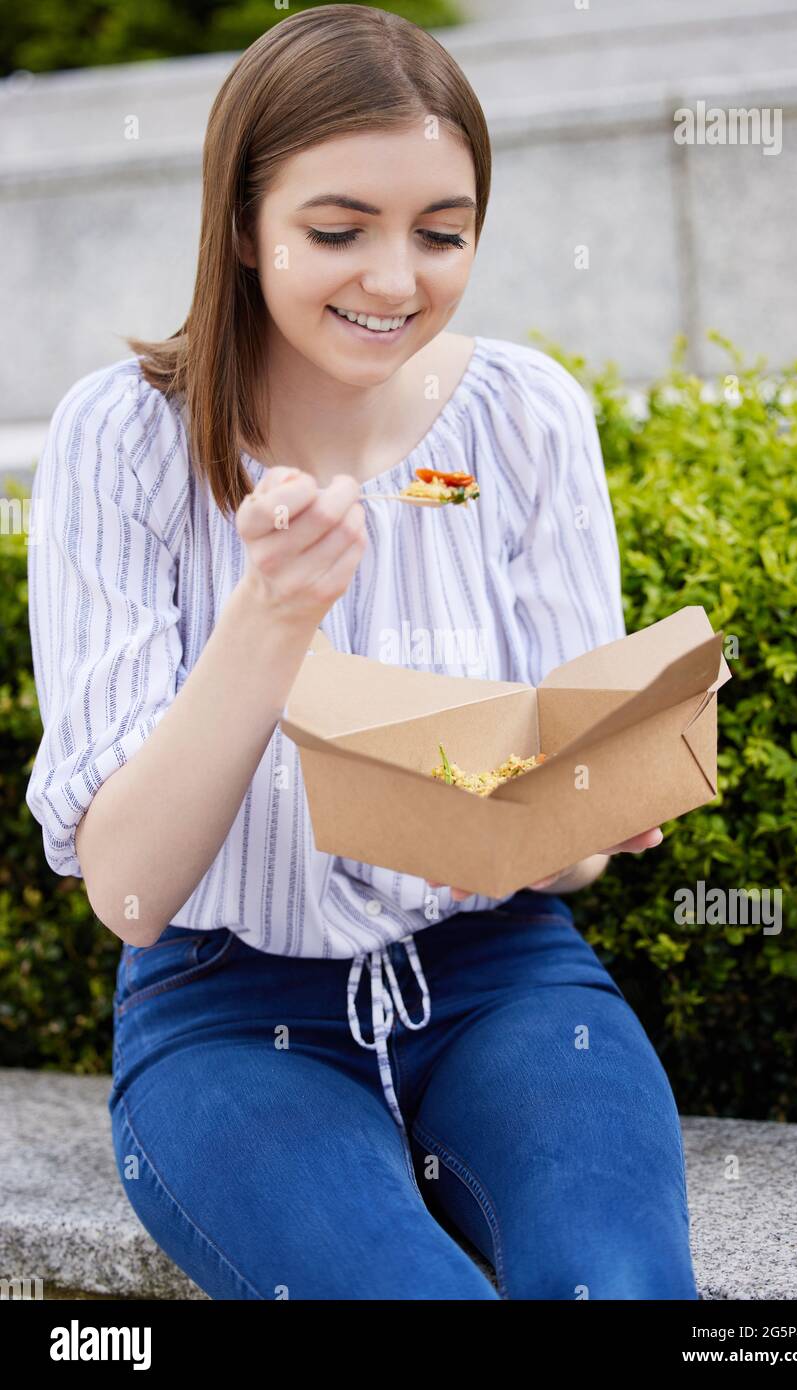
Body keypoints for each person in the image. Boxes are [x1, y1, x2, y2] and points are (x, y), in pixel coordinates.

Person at [25, 5, 699, 1300]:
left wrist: (588, 807)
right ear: (242, 224)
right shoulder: (123, 443)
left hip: (503, 973)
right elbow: (127, 893)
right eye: (339, 230)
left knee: (614, 1288)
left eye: (442, 234)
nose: (396, 279)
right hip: (225, 1009)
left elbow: (558, 856)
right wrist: (269, 617)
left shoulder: (525, 417)